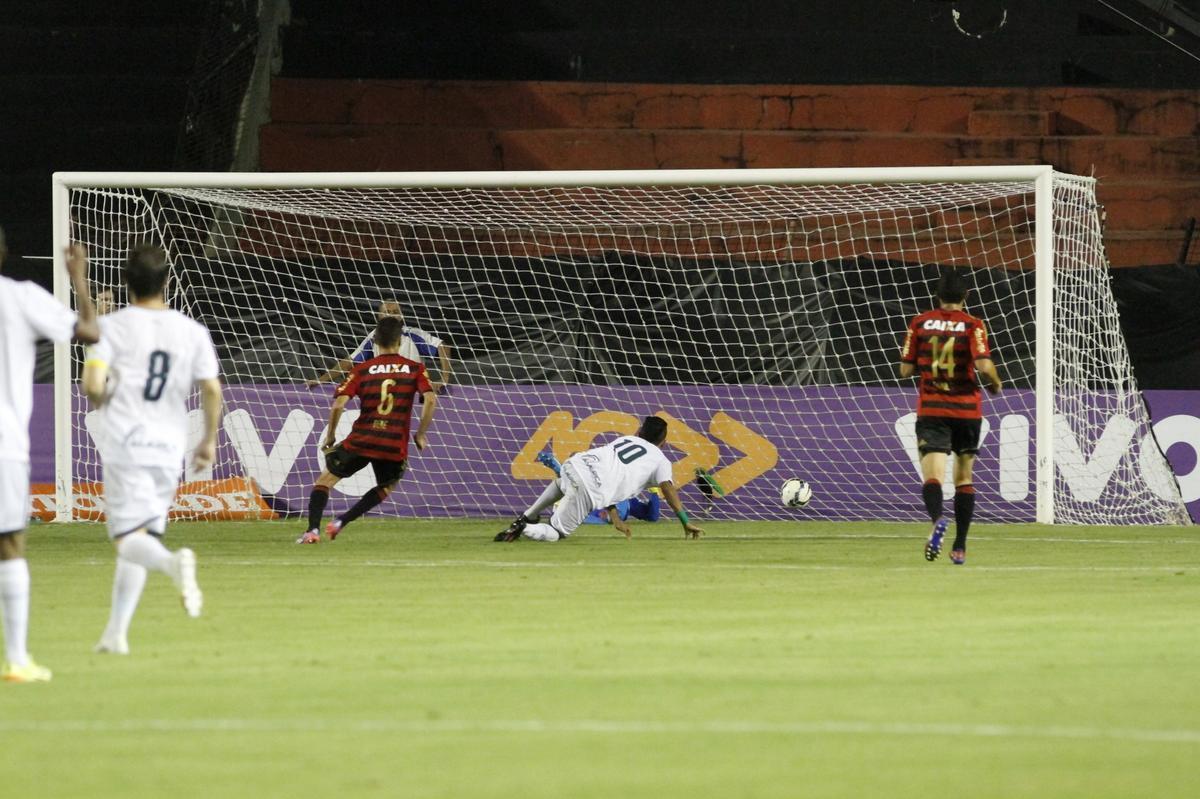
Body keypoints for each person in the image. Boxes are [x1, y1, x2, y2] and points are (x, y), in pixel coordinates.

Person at [82, 244, 223, 655]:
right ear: (166, 281)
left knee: (128, 538)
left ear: (126, 282)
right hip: (168, 447)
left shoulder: (110, 328)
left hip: (126, 443)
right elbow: (211, 388)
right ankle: (115, 634)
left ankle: (172, 564)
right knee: (140, 533)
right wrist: (209, 440)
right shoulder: (192, 331)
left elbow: (93, 386)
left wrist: (104, 392)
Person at [0, 234, 99, 682]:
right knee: (9, 549)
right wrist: (78, 279)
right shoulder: (20, 298)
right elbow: (91, 334)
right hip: (4, 445)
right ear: (5, 252)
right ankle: (17, 659)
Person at [297, 315, 437, 543]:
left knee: (324, 482)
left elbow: (338, 404)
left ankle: (312, 531)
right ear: (399, 342)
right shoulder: (415, 368)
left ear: (375, 342)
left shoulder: (362, 370)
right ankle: (342, 521)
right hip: (393, 443)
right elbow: (430, 400)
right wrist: (420, 434)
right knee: (387, 485)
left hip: (361, 439)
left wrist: (331, 435)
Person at [899, 269, 1002, 565]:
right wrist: (995, 382)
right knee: (964, 477)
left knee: (933, 475)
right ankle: (959, 546)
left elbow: (905, 370)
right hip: (967, 410)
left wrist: (925, 363)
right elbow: (983, 364)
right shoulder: (973, 324)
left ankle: (936, 520)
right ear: (966, 296)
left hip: (932, 408)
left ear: (937, 295)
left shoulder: (919, 322)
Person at [495, 416, 704, 542]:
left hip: (576, 463)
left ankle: (527, 516)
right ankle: (525, 528)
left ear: (639, 432)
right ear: (664, 443)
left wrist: (615, 519)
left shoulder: (625, 439)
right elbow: (668, 488)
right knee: (557, 532)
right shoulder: (660, 459)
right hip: (592, 487)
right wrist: (685, 522)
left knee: (561, 483)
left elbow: (612, 479)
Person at [306, 300, 452, 393]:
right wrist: (320, 380)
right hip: (383, 392)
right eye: (387, 312)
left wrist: (444, 378)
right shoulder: (373, 337)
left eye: (396, 312)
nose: (392, 315)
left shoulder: (412, 335)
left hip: (411, 392)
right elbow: (348, 363)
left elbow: (442, 346)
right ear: (379, 316)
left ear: (401, 316)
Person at [535, 451, 662, 525]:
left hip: (589, 504)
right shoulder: (606, 486)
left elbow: (652, 516)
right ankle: (562, 474)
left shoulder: (629, 501)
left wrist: (654, 492)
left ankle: (562, 473)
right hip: (585, 502)